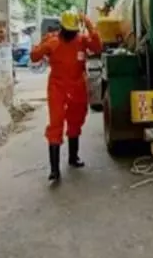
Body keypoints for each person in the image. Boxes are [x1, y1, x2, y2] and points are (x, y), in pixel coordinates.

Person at [31, 11, 102, 181]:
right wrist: (41, 46)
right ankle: (54, 170)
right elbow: (34, 57)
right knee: (56, 124)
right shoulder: (52, 41)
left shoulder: (82, 40)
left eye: (74, 31)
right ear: (62, 28)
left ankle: (73, 157)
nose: (72, 34)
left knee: (76, 121)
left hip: (78, 87)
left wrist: (90, 24)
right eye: (69, 31)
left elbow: (98, 47)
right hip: (58, 88)